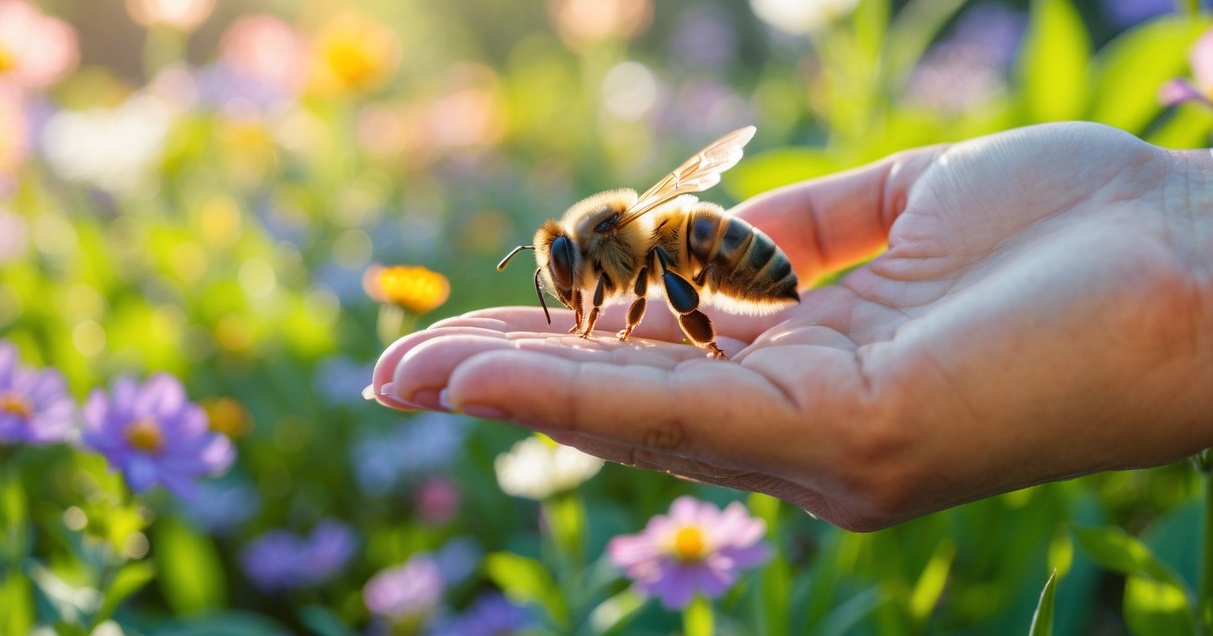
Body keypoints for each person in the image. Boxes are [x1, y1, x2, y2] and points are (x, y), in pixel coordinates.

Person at [370, 121, 1213, 531]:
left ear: (585, 249)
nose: (569, 289)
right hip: (713, 251)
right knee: (674, 257)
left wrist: (1181, 220)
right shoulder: (600, 248)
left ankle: (702, 337)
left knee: (678, 255)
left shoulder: (617, 244)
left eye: (570, 277)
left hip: (716, 251)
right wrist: (1178, 212)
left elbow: (642, 279)